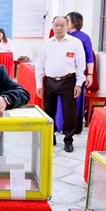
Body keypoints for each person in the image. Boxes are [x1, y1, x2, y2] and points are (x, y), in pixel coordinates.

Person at [35, 16, 86, 153]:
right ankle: (50, 136)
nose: (59, 28)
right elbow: (40, 65)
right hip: (50, 82)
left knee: (69, 113)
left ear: (67, 26)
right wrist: (39, 84)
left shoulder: (75, 43)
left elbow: (81, 64)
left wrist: (79, 83)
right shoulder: (46, 44)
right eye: (56, 25)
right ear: (52, 26)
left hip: (68, 82)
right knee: (48, 111)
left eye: (62, 25)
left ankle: (68, 140)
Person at [66, 12, 94, 134]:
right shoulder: (64, 36)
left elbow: (89, 57)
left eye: (67, 20)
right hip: (64, 73)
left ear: (74, 22)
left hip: (78, 73)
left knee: (75, 99)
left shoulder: (83, 37)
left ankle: (75, 126)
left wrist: (90, 74)